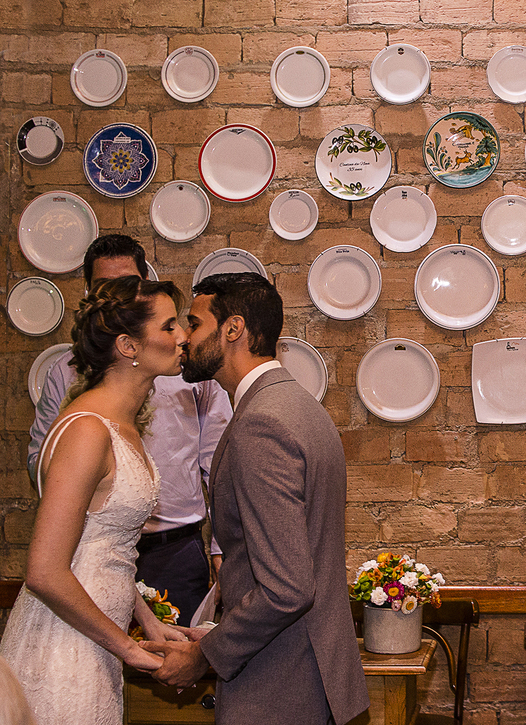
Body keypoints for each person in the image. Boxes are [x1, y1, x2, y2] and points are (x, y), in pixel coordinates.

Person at [144, 273, 368, 725]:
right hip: (308, 671)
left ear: (233, 329)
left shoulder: (261, 425)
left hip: (280, 685)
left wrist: (206, 654)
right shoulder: (298, 404)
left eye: (194, 323)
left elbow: (287, 587)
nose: (184, 337)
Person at [0, 276, 193, 725]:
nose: (183, 336)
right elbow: (45, 571)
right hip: (61, 648)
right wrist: (129, 650)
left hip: (93, 640)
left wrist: (147, 621)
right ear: (128, 346)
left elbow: (101, 547)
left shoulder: (121, 423)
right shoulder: (88, 430)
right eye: (169, 326)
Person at [27, 235, 232, 627]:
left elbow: (219, 461)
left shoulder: (181, 373)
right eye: (106, 289)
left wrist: (224, 546)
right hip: (86, 556)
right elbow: (44, 467)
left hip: (173, 550)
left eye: (129, 285)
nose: (182, 336)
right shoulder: (79, 406)